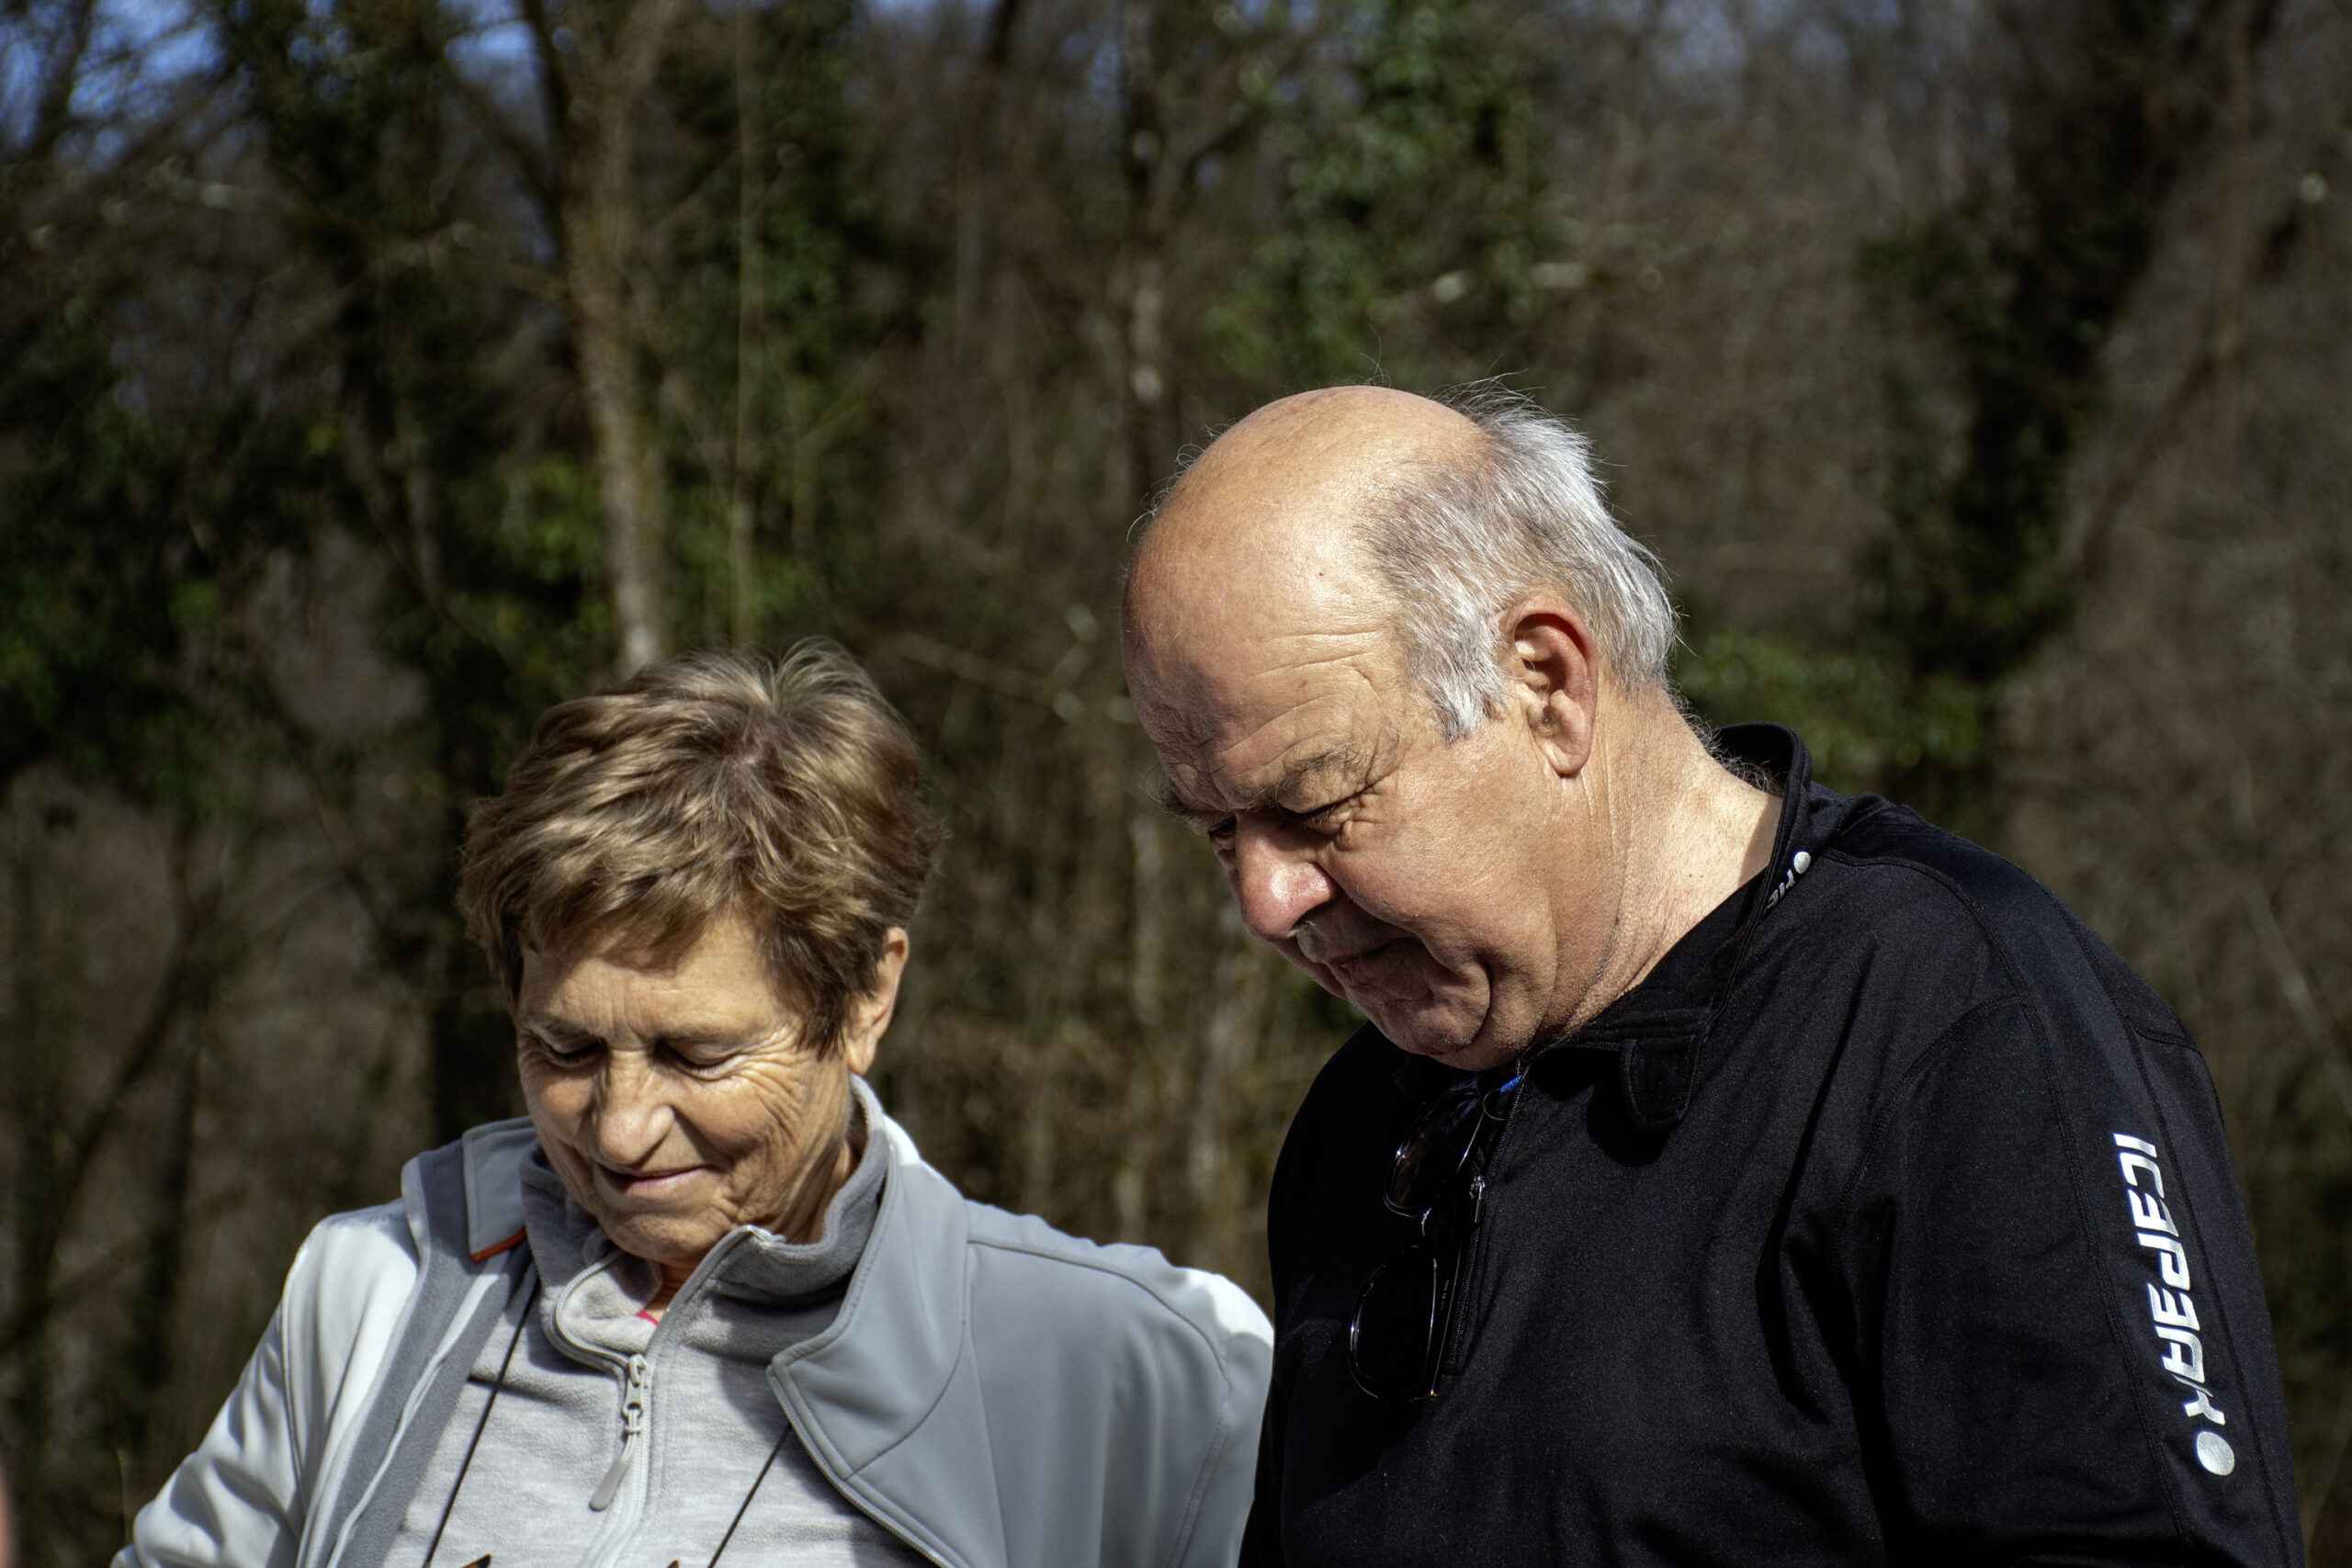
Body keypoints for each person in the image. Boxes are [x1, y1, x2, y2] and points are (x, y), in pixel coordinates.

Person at [1120, 385, 2304, 1565]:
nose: (1264, 903)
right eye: (1219, 831)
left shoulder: (1961, 1030)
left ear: (1546, 683)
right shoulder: (1362, 1120)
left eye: (1317, 803)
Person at [119, 642, 1271, 1568]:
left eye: (696, 1054)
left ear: (865, 997)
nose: (619, 1129)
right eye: (565, 1047)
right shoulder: (369, 1293)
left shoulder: (1141, 1370)